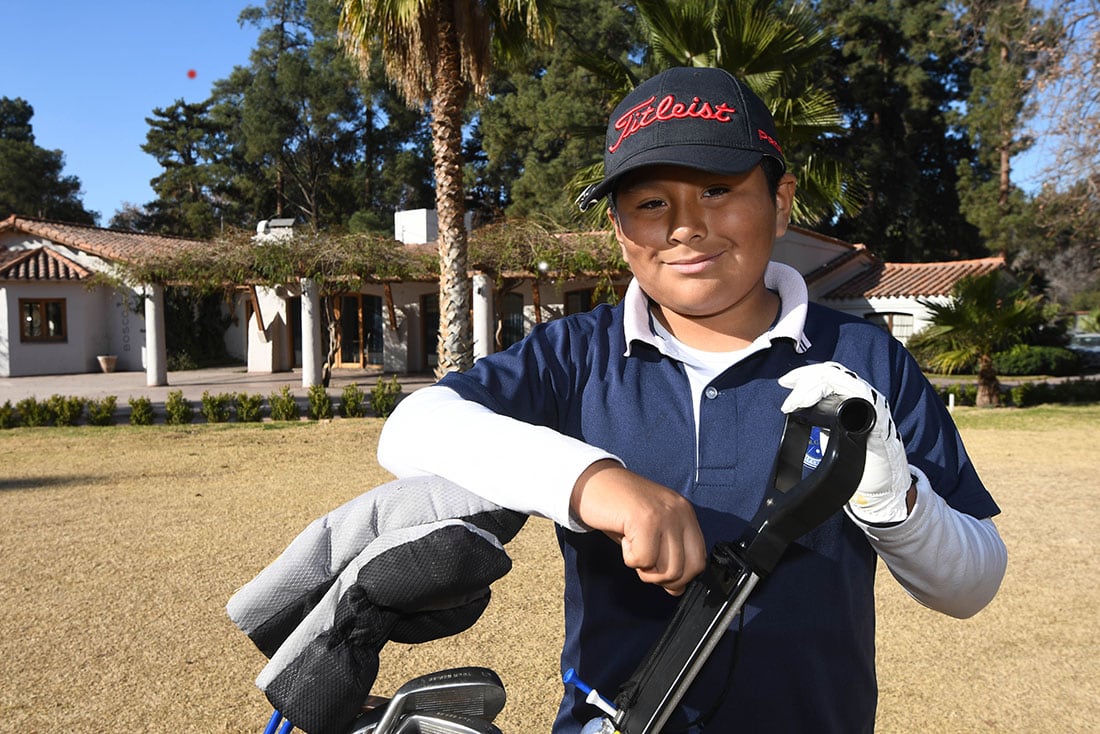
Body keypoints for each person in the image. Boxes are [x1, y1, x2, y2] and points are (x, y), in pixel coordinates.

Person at [377, 66, 1007, 733]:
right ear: (620, 226)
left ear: (781, 199)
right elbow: (412, 428)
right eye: (651, 203)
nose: (685, 226)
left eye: (716, 190)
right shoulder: (574, 354)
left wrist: (894, 503)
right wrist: (601, 485)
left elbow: (973, 585)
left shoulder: (864, 358)